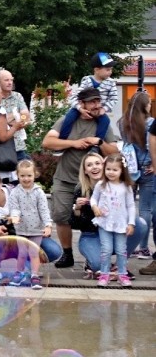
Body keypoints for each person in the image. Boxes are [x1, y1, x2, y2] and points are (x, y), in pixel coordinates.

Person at [42, 86, 118, 268]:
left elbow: (115, 151)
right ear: (82, 104)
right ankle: (67, 254)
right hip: (65, 177)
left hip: (92, 182)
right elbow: (47, 142)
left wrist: (99, 142)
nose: (96, 105)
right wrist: (73, 143)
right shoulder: (66, 120)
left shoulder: (103, 124)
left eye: (98, 101)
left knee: (94, 217)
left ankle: (93, 254)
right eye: (92, 101)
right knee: (61, 216)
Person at [0, 169, 62, 280]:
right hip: (2, 240)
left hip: (27, 233)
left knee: (53, 250)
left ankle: (27, 265)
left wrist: (45, 225)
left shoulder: (16, 191)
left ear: (0, 183)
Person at [72, 152, 146, 280]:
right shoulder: (81, 189)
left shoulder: (121, 186)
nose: (94, 167)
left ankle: (119, 266)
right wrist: (77, 209)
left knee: (139, 223)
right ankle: (93, 264)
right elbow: (74, 224)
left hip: (115, 230)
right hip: (91, 235)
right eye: (89, 165)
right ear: (85, 171)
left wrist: (129, 222)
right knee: (97, 265)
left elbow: (129, 208)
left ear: (104, 165)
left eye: (97, 163)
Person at [90, 153, 136, 287]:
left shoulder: (126, 187)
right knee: (106, 249)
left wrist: (131, 223)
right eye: (108, 169)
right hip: (104, 222)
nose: (111, 172)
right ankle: (104, 274)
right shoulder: (101, 185)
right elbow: (94, 198)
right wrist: (94, 207)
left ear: (122, 170)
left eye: (115, 169)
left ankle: (122, 274)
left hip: (121, 223)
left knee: (121, 250)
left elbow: (131, 205)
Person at [8, 160, 53, 289]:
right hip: (21, 229)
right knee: (21, 253)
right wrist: (15, 216)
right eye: (22, 176)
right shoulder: (15, 192)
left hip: (36, 229)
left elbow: (44, 210)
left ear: (35, 175)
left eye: (29, 175)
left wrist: (48, 225)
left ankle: (34, 275)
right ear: (17, 175)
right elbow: (14, 207)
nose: (26, 179)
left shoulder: (39, 192)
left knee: (34, 253)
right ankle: (19, 273)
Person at [120, 91, 154, 260]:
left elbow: (125, 145)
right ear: (144, 105)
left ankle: (129, 244)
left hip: (130, 169)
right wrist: (151, 163)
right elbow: (150, 146)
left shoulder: (123, 123)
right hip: (148, 169)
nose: (150, 105)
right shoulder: (150, 123)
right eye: (149, 102)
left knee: (128, 206)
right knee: (145, 209)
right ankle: (143, 247)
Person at [67, 52, 119, 117]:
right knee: (69, 117)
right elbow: (75, 96)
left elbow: (114, 98)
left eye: (111, 69)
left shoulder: (111, 82)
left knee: (105, 121)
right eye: (107, 70)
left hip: (98, 110)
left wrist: (104, 109)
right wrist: (80, 108)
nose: (110, 72)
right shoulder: (87, 81)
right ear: (97, 70)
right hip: (84, 109)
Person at [0, 69, 31, 162]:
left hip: (19, 146)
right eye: (6, 80)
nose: (10, 82)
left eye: (11, 80)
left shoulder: (17, 96)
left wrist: (21, 118)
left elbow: (25, 116)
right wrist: (16, 115)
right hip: (0, 148)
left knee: (24, 174)